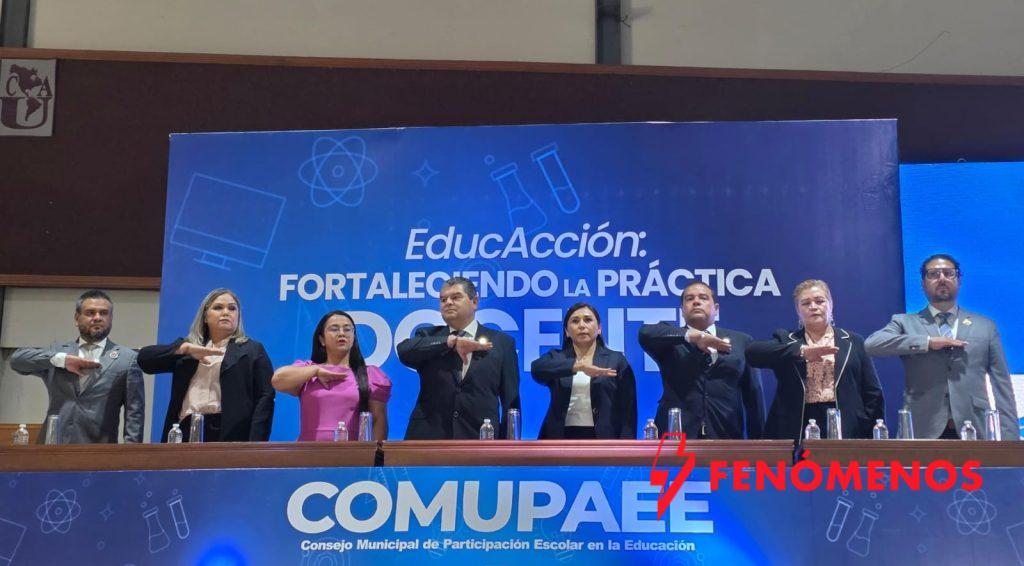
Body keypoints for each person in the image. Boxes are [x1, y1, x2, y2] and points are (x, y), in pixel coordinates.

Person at [865, 254, 1018, 440]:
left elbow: (1002, 385)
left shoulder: (985, 326)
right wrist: (928, 342)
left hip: (974, 428)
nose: (942, 278)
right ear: (923, 283)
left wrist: (1011, 439)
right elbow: (872, 344)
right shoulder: (905, 322)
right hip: (922, 429)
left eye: (948, 273)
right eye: (934, 274)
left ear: (959, 280)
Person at [748, 279, 885, 440]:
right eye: (806, 303)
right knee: (805, 458)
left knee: (839, 458)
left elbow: (873, 393)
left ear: (831, 305)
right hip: (799, 425)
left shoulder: (854, 341)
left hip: (846, 425)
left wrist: (871, 435)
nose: (813, 307)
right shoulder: (786, 339)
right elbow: (752, 353)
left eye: (820, 301)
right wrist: (801, 351)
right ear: (798, 310)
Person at [138, 288, 275, 442]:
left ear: (238, 316)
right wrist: (184, 349)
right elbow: (144, 359)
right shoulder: (189, 349)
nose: (226, 312)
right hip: (184, 428)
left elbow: (265, 397)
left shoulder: (252, 350)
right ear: (205, 316)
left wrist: (255, 444)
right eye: (218, 307)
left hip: (230, 432)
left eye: (232, 308)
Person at [10, 289, 145, 443]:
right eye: (90, 312)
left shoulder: (127, 359)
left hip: (99, 449)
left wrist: (130, 452)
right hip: (53, 445)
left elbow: (135, 413)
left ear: (111, 318)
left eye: (103, 313)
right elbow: (17, 360)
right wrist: (62, 360)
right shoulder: (58, 351)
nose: (97, 317)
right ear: (77, 318)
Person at [397, 276, 520, 439]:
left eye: (456, 297)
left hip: (480, 438)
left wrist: (509, 445)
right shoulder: (428, 336)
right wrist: (450, 342)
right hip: (429, 437)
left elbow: (511, 402)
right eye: (443, 299)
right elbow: (404, 351)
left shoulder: (502, 343)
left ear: (474, 301)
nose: (448, 302)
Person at [639, 282, 765, 439]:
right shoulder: (670, 342)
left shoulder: (742, 341)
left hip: (726, 435)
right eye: (689, 298)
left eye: (703, 298)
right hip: (677, 436)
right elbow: (645, 333)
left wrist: (759, 443)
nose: (696, 302)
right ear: (682, 310)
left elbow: (753, 397)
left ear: (716, 309)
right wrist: (694, 336)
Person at [271, 310, 390, 440]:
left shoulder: (369, 375)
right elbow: (278, 380)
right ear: (322, 339)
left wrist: (374, 453)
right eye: (334, 329)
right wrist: (316, 370)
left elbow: (379, 422)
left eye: (347, 329)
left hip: (353, 451)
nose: (341, 333)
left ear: (353, 338)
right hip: (308, 451)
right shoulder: (307, 370)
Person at [531, 303, 637, 439]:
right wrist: (577, 366)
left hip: (604, 438)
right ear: (567, 331)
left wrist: (626, 445)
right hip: (560, 436)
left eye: (588, 320)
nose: (582, 325)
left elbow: (629, 410)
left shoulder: (616, 360)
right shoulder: (557, 357)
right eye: (575, 321)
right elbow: (537, 369)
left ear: (599, 328)